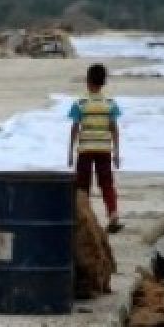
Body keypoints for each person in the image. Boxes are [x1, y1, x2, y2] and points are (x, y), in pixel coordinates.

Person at [67, 63, 123, 233]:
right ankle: (113, 215)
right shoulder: (110, 103)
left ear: (87, 80)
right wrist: (117, 152)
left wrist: (70, 151)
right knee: (107, 183)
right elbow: (114, 128)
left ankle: (84, 217)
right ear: (104, 82)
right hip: (104, 149)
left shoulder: (80, 103)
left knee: (83, 185)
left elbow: (75, 127)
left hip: (85, 149)